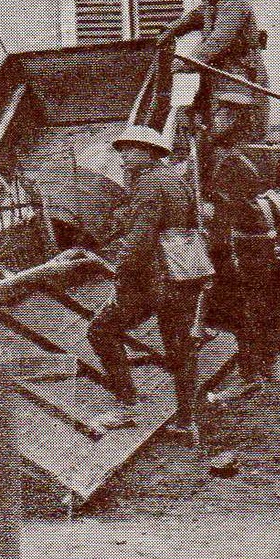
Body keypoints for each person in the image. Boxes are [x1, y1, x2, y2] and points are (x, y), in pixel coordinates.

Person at [86, 126, 204, 439]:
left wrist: (120, 276)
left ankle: (127, 404)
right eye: (122, 149)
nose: (123, 156)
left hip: (154, 280)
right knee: (181, 347)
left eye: (130, 149)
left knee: (101, 330)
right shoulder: (176, 180)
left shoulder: (148, 185)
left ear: (149, 153)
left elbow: (140, 240)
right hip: (185, 275)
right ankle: (187, 420)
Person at [157, 0, 270, 200]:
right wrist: (172, 30)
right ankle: (199, 187)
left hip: (239, 79)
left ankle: (228, 190)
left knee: (221, 133)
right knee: (196, 125)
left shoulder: (233, 0)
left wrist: (184, 63)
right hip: (217, 77)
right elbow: (196, 16)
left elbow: (218, 41)